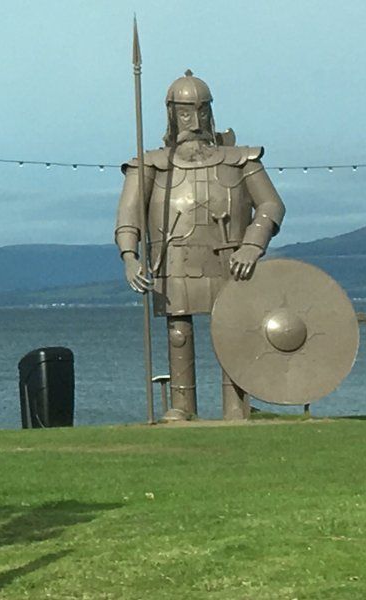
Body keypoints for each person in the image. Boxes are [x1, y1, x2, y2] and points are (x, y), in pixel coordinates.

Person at [115, 70, 285, 420]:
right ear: (172, 115)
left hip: (231, 259)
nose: (193, 121)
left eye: (200, 111)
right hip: (174, 261)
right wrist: (130, 256)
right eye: (184, 113)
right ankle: (182, 406)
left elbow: (271, 205)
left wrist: (252, 245)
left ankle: (237, 405)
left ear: (209, 112)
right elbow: (129, 215)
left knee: (232, 328)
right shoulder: (149, 166)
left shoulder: (241, 160)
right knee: (178, 332)